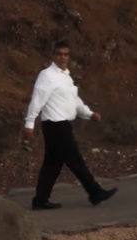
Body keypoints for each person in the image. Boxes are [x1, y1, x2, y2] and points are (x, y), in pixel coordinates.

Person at [24, 39, 117, 210]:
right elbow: (37, 100)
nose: (62, 57)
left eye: (65, 54)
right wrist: (29, 122)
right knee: (75, 160)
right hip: (55, 125)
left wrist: (89, 114)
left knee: (52, 165)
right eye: (59, 54)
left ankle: (40, 200)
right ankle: (95, 192)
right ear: (53, 55)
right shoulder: (47, 76)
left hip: (62, 124)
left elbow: (74, 100)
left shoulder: (65, 76)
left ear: (69, 56)